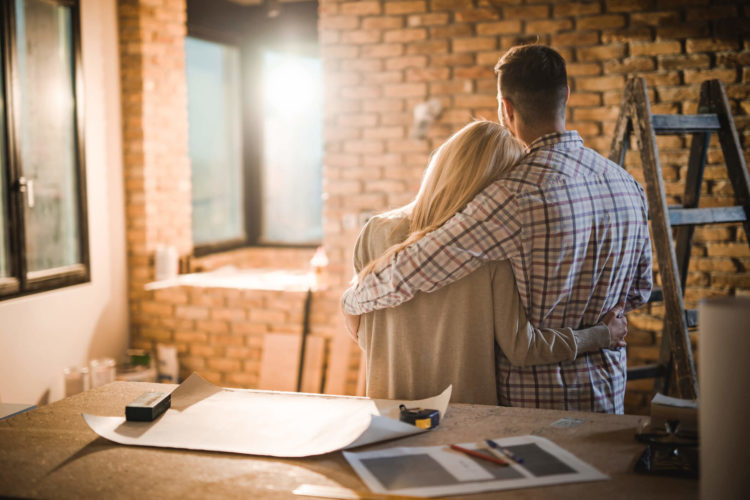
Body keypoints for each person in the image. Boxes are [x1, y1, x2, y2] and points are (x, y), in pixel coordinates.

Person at [342, 44, 652, 414]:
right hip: (607, 389)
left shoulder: (512, 195)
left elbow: (415, 267)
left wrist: (351, 300)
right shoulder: (627, 184)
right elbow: (639, 292)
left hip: (534, 406)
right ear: (567, 95)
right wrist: (601, 328)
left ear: (505, 107)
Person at [352, 120, 627, 405]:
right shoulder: (488, 252)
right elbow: (523, 348)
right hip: (462, 418)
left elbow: (363, 329)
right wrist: (601, 335)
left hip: (385, 414)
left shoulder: (374, 231)